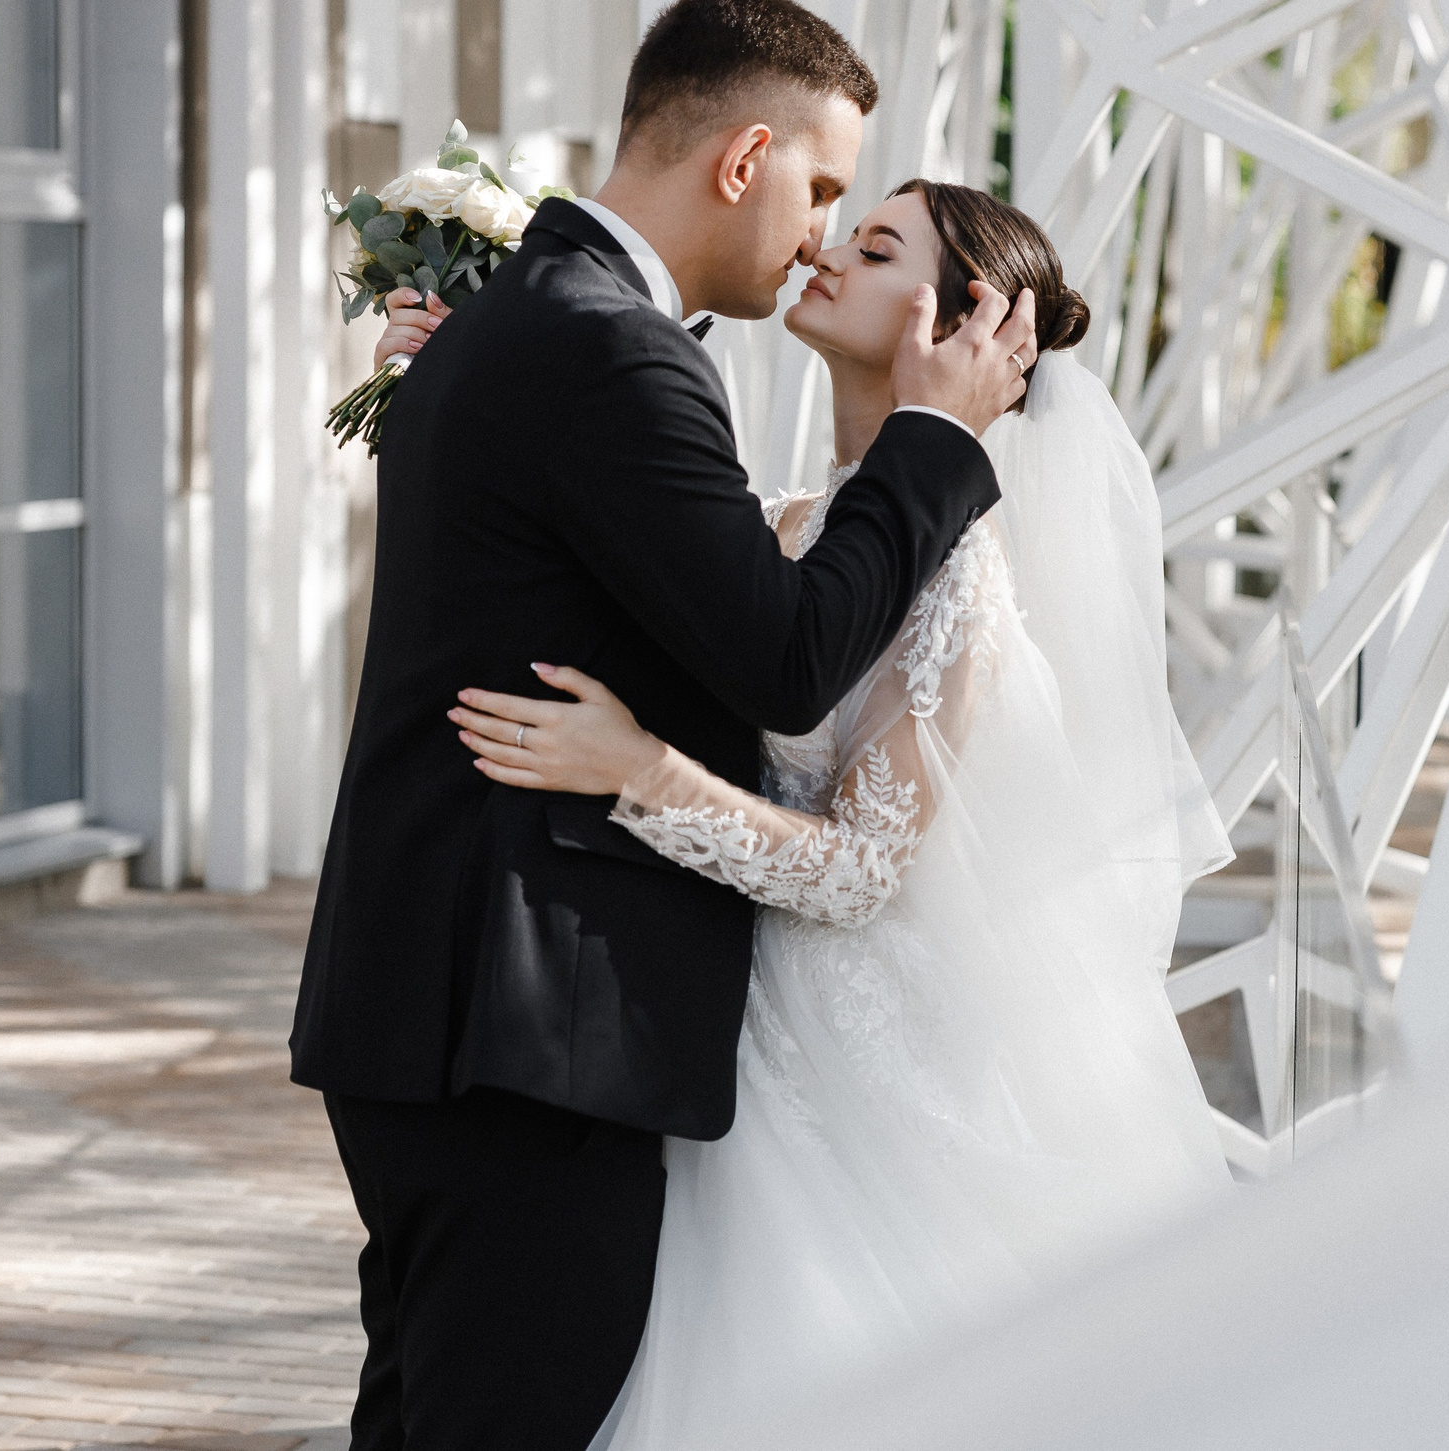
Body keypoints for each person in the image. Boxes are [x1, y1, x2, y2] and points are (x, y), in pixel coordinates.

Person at [288, 0, 1038, 1451]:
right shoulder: (612, 353)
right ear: (745, 157)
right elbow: (788, 655)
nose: (822, 230)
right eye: (826, 189)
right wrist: (941, 438)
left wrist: (648, 770)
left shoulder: (527, 325)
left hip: (460, 1014)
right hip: (519, 1032)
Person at [440, 181, 1236, 1447]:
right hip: (720, 1018)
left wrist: (642, 773)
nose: (825, 248)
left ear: (966, 325)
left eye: (876, 248)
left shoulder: (959, 568)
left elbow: (866, 871)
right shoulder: (775, 523)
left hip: (853, 1050)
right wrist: (468, 368)